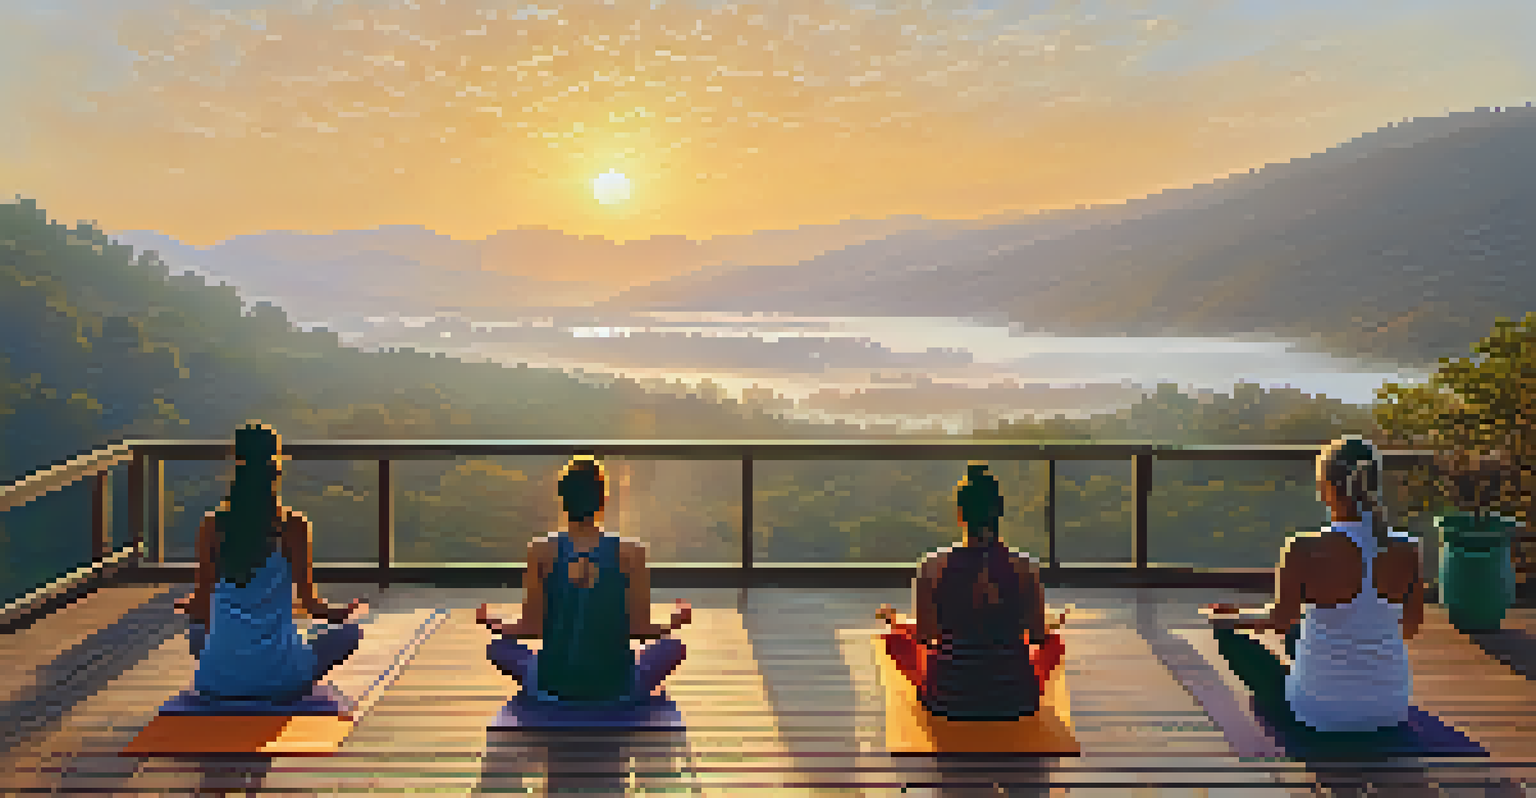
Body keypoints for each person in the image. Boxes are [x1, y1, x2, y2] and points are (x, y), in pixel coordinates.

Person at [1204, 435, 1424, 733]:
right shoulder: (1408, 549)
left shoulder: (1304, 547)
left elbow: (1279, 619)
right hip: (1390, 709)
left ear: (1327, 489)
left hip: (1320, 711)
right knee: (1299, 631)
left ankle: (1302, 687)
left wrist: (1229, 619)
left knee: (1229, 637)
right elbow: (1409, 628)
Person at [174, 422, 368, 702]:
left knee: (196, 633)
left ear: (236, 466)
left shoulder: (213, 526)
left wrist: (188, 606)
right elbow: (312, 606)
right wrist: (340, 613)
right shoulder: (293, 526)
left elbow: (202, 608)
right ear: (276, 467)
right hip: (282, 680)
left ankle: (233, 670)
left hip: (216, 683)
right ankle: (274, 671)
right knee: (350, 634)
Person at [476, 454, 691, 705]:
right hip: (617, 687)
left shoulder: (540, 551)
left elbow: (530, 629)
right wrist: (675, 621)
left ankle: (556, 679)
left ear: (563, 501)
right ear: (603, 501)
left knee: (497, 648)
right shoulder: (633, 552)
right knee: (673, 647)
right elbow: (639, 630)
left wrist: (494, 621)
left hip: (552, 686)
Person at [877, 462, 1065, 721]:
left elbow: (926, 636)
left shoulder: (932, 567)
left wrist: (898, 623)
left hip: (947, 699)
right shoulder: (1025, 568)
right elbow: (1037, 637)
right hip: (1016, 699)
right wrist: (1049, 627)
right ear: (999, 512)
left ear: (960, 514)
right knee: (1054, 642)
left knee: (893, 640)